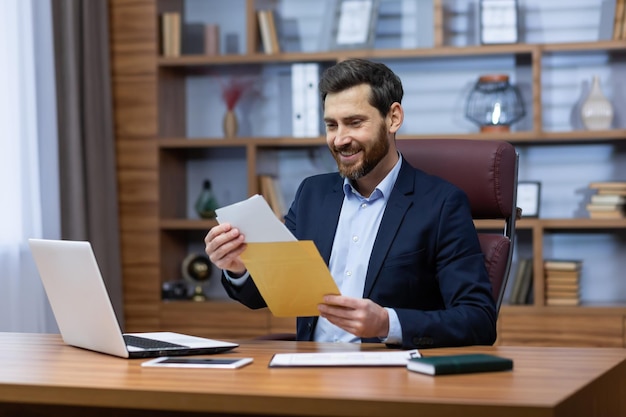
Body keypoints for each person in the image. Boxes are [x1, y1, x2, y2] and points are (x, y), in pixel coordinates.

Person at [205, 58, 497, 349]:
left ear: (393, 118)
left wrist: (387, 323)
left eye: (355, 123)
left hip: (388, 376)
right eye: (331, 125)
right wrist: (239, 268)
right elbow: (266, 294)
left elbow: (478, 319)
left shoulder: (442, 204)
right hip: (308, 372)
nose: (340, 139)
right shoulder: (312, 194)